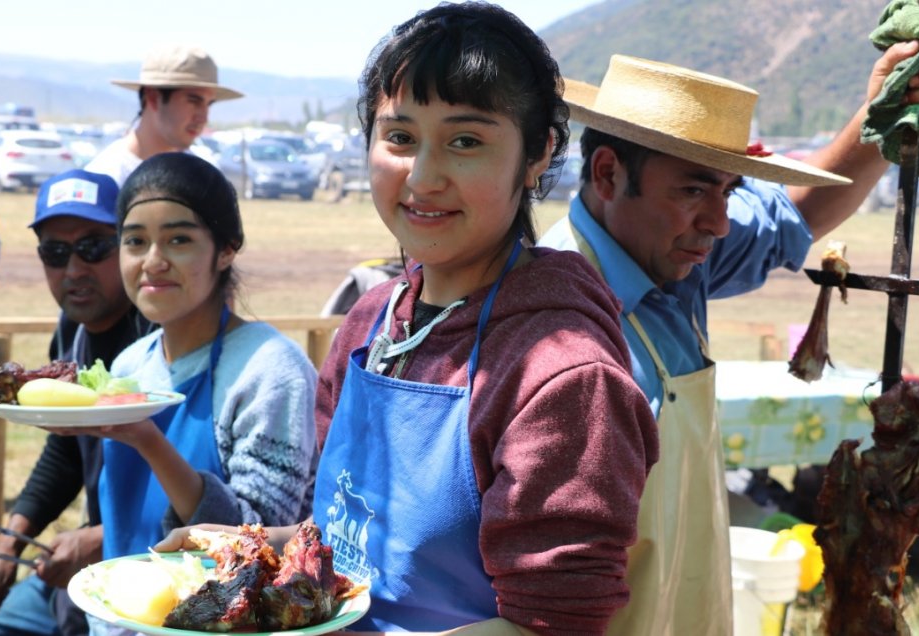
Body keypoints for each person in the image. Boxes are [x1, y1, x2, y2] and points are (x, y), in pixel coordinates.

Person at [161, 4, 658, 634]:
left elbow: (555, 624)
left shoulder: (565, 377)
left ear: (539, 154)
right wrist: (246, 547)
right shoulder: (370, 322)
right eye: (399, 137)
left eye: (466, 141)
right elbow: (350, 539)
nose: (422, 178)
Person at [537, 39, 919, 634]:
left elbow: (795, 214)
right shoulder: (551, 318)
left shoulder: (677, 252)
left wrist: (879, 113)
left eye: (728, 191)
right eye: (692, 190)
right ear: (608, 173)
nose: (719, 222)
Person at [59, 152, 318, 566]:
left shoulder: (270, 370)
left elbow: (258, 543)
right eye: (135, 241)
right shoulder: (130, 365)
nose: (153, 262)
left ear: (226, 250)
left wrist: (147, 437)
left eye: (179, 240)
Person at [0, 170, 154, 635]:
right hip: (86, 560)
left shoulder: (157, 340)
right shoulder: (73, 329)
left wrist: (101, 540)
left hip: (151, 567)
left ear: (127, 246)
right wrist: (9, 543)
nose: (73, 269)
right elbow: (69, 450)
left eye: (93, 247)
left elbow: (207, 486)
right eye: (55, 251)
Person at [86, 44, 243, 185]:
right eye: (194, 100)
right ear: (153, 98)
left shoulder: (204, 174)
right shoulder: (107, 179)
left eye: (209, 104)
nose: (203, 117)